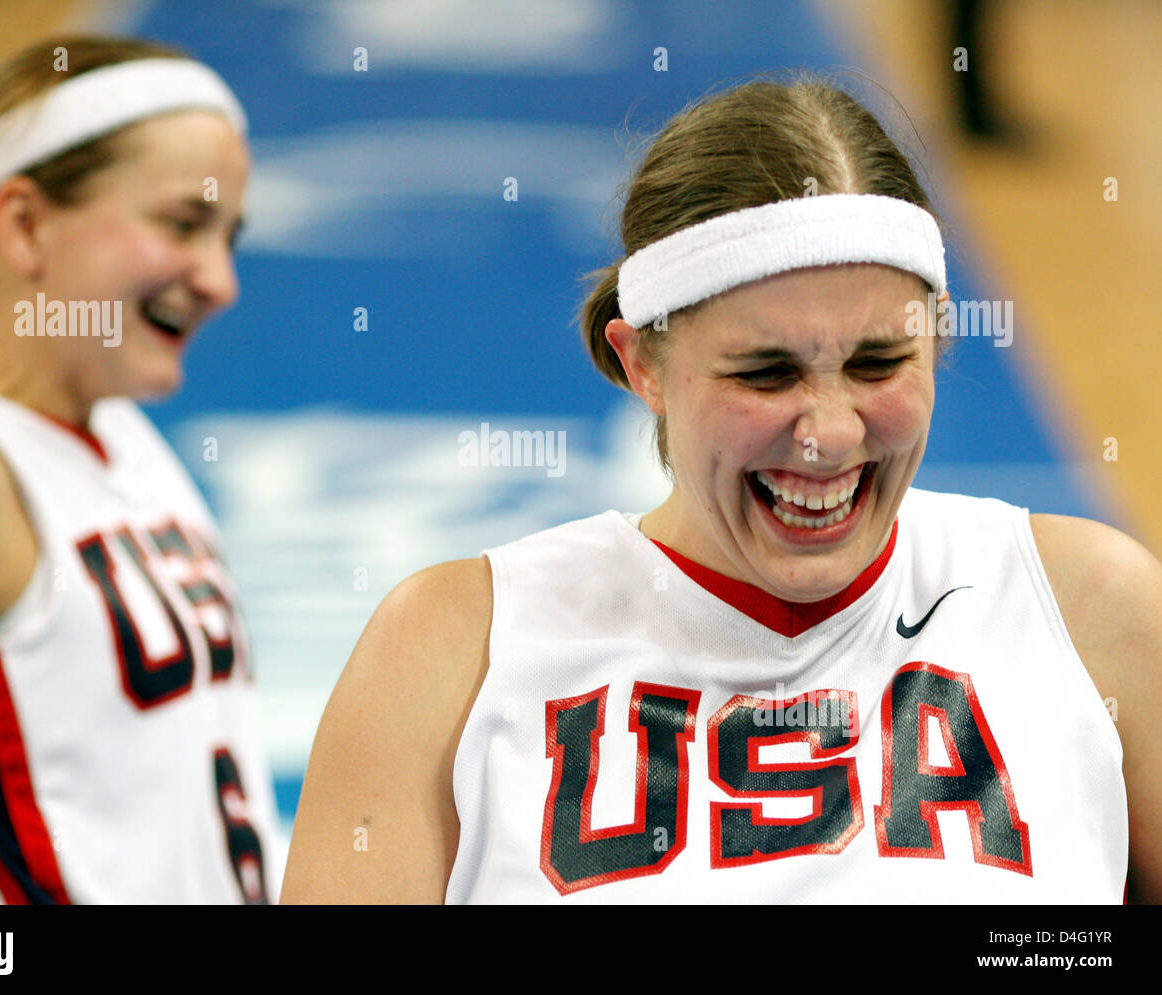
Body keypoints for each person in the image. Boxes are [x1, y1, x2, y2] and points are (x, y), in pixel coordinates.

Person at [282, 73, 1160, 904]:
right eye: (766, 373)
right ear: (644, 365)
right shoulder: (450, 650)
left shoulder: (1090, 609)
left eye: (878, 363)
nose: (831, 431)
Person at [0, 35, 281, 904]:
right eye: (183, 224)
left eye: (229, 236)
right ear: (23, 223)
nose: (221, 281)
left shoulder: (121, 434)